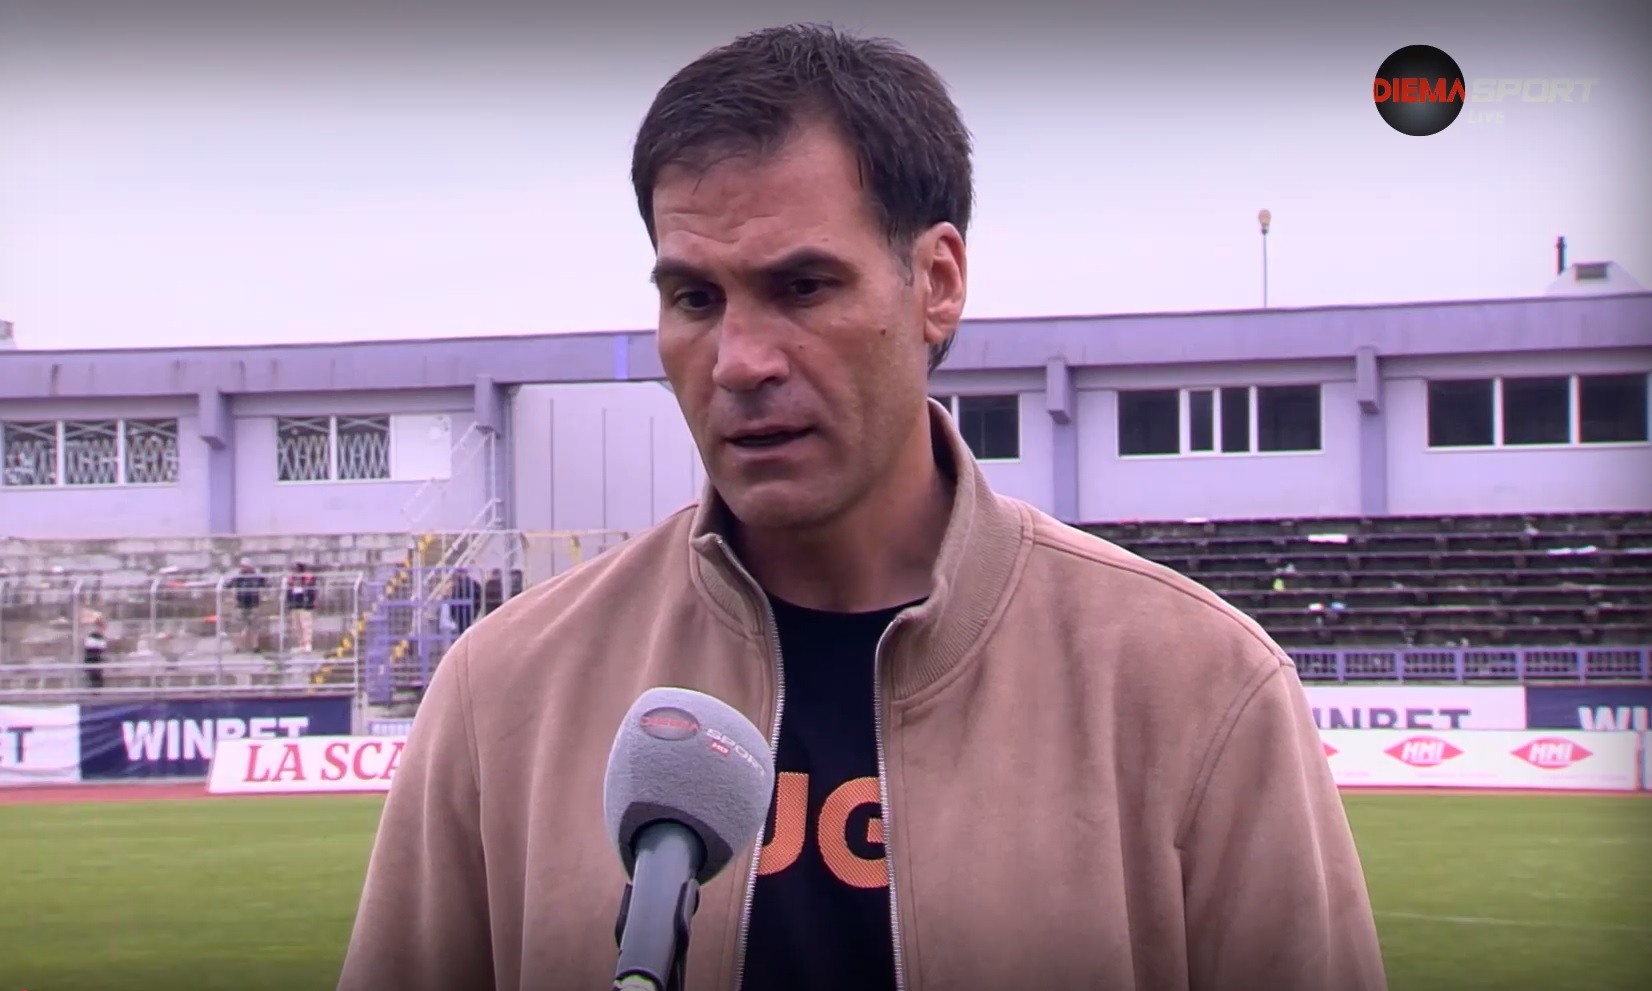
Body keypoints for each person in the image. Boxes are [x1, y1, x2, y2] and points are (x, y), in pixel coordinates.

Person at [338, 24, 1387, 991]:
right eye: (694, 298)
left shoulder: (1197, 686)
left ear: (937, 281)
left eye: (802, 287)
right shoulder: (503, 693)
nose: (739, 361)